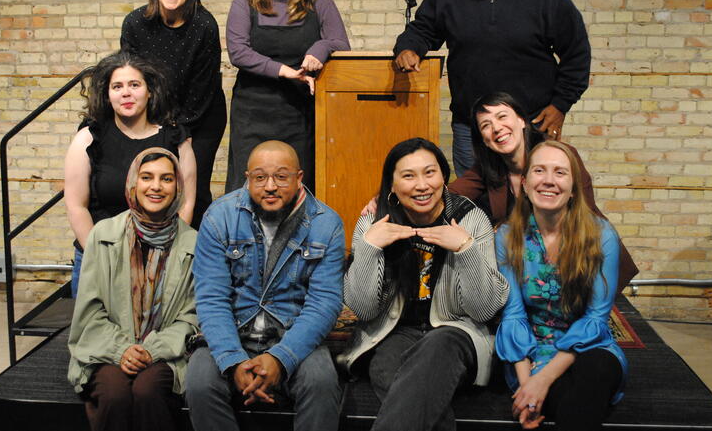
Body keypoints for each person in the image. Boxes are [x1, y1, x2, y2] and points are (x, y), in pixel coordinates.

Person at [393, 0, 590, 176]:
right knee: (473, 199)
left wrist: (560, 105)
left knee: (532, 196)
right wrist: (408, 48)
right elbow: (421, 30)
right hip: (470, 128)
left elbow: (577, 53)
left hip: (530, 124)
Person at [341, 137, 509, 431]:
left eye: (430, 173)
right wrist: (369, 248)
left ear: (443, 176)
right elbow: (364, 310)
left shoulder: (470, 219)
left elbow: (483, 311)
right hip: (395, 332)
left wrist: (466, 250)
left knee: (437, 346)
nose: (422, 185)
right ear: (392, 184)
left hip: (456, 332)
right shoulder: (373, 222)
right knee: (388, 368)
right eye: (408, 176)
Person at [186, 141, 344, 431]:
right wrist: (233, 361)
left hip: (293, 333)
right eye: (260, 178)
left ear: (299, 178)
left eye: (281, 177)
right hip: (233, 332)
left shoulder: (326, 224)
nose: (270, 186)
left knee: (321, 381)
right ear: (247, 178)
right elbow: (211, 298)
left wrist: (280, 358)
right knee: (199, 382)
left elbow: (324, 304)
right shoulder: (219, 217)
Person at [495, 140, 627, 430]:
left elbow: (596, 318)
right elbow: (513, 316)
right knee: (569, 400)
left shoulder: (601, 235)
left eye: (560, 172)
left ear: (574, 188)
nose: (549, 180)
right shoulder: (506, 236)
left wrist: (543, 379)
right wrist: (528, 386)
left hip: (589, 346)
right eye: (539, 170)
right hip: (532, 351)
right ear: (524, 184)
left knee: (596, 372)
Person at [450, 91, 638, 293]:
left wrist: (506, 227)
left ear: (522, 120)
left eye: (502, 116)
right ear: (484, 140)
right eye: (486, 125)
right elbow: (447, 196)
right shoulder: (487, 168)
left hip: (581, 260)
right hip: (530, 271)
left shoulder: (561, 155)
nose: (496, 128)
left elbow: (583, 218)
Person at [67, 148, 199, 431]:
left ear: (178, 185)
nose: (156, 186)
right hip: (107, 347)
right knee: (114, 395)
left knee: (147, 391)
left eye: (166, 179)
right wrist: (122, 349)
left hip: (166, 351)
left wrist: (152, 350)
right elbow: (89, 311)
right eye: (146, 177)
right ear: (132, 183)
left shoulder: (193, 243)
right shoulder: (103, 235)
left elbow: (192, 316)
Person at [224, 0, 350, 193]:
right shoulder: (244, 3)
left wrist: (319, 48)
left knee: (298, 187)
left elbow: (340, 43)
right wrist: (285, 71)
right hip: (252, 114)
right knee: (249, 188)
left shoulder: (319, 2)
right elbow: (238, 52)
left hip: (300, 114)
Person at [64, 52, 196, 297]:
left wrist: (167, 252)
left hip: (159, 258)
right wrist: (101, 257)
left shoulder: (175, 140)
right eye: (117, 86)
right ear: (107, 94)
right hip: (100, 257)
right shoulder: (89, 138)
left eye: (134, 85)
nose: (126, 93)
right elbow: (76, 206)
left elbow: (186, 202)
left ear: (150, 91)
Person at [120, 0, 225, 228]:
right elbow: (133, 77)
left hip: (201, 117)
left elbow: (202, 88)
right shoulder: (135, 23)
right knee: (152, 185)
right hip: (154, 115)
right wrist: (154, 125)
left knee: (192, 189)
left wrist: (179, 132)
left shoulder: (204, 25)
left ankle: (194, 247)